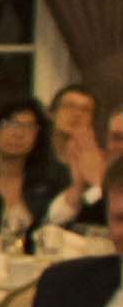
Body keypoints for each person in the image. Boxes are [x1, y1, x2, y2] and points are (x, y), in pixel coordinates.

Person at [0, 96, 61, 238]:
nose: (18, 133)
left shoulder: (48, 183)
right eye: (9, 124)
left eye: (28, 127)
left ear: (38, 136)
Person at [46, 82, 108, 232]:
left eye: (85, 110)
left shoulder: (102, 163)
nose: (77, 114)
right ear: (51, 114)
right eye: (69, 106)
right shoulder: (35, 161)